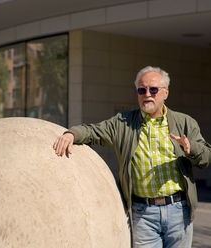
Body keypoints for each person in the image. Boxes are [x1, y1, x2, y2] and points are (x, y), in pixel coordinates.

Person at [53, 66, 211, 248]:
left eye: (153, 89)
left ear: (166, 93)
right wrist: (71, 134)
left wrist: (191, 148)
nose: (147, 94)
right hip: (143, 214)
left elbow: (206, 158)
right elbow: (93, 131)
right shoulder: (123, 123)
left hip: (178, 211)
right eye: (142, 90)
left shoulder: (185, 122)